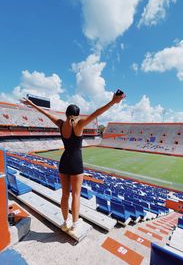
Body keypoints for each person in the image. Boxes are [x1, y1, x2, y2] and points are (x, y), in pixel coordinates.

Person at [21, 92, 125, 234]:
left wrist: (31, 104)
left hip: (64, 161)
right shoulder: (80, 124)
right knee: (76, 195)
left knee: (65, 195)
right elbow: (97, 112)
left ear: (66, 114)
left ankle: (65, 222)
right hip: (76, 162)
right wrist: (113, 102)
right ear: (78, 114)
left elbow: (45, 113)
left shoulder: (60, 124)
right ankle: (75, 224)